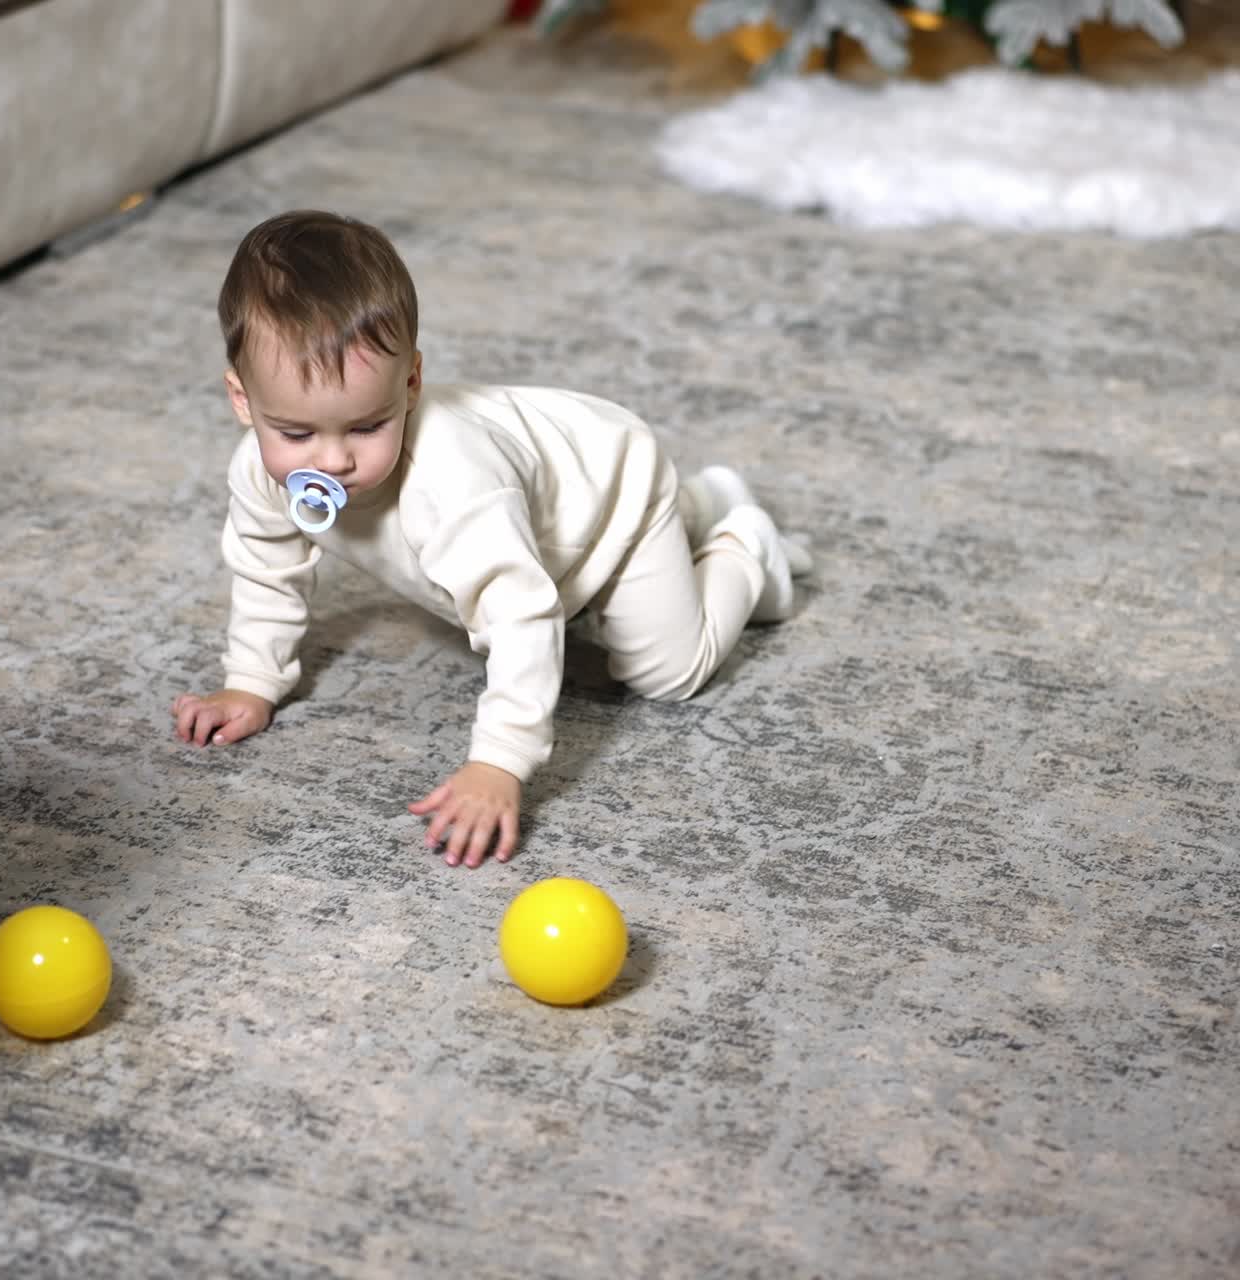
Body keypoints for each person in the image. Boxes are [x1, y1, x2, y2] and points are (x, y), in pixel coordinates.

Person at [172, 210, 811, 869]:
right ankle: (700, 502)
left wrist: (498, 762)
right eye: (298, 434)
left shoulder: (453, 484)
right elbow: (265, 567)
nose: (331, 462)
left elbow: (522, 616)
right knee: (522, 577)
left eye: (367, 426)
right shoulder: (259, 471)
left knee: (667, 674)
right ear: (243, 401)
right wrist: (251, 680)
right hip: (549, 502)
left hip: (614, 495)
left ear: (412, 382)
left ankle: (741, 543)